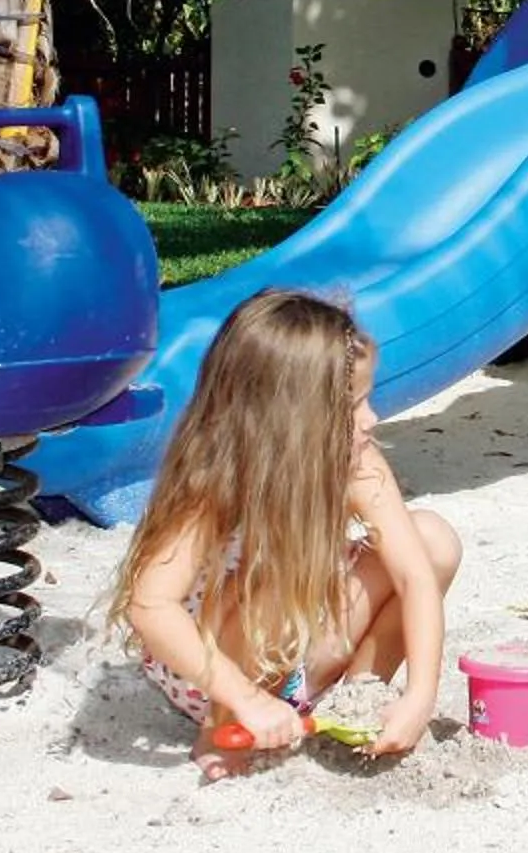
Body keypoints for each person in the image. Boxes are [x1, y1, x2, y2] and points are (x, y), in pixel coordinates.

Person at [108, 290, 461, 773]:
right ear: (293, 420)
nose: (371, 418)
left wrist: (420, 695)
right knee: (274, 572)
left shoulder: (359, 464)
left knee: (433, 539)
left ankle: (357, 703)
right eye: (354, 405)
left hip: (304, 643)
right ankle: (224, 734)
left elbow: (415, 577)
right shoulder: (217, 483)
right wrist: (245, 699)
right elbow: (150, 606)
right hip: (215, 671)